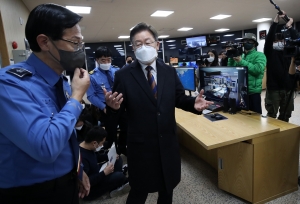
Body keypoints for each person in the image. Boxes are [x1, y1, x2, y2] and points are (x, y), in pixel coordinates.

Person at [104, 22, 213, 204]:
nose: (143, 47)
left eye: (148, 42)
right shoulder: (123, 75)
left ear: (157, 44)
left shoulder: (169, 71)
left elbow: (178, 98)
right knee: (139, 192)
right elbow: (117, 114)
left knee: (167, 189)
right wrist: (113, 109)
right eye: (138, 44)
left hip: (167, 143)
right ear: (133, 48)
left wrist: (193, 103)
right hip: (141, 146)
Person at [0, 3, 90, 203]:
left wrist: (77, 169)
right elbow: (46, 147)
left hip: (67, 181)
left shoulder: (61, 83)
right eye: (74, 43)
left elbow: (67, 134)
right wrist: (76, 97)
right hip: (31, 192)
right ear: (44, 42)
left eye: (81, 43)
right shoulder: (9, 85)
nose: (79, 50)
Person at [87, 46, 127, 154]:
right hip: (106, 108)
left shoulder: (117, 70)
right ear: (97, 60)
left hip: (121, 105)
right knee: (111, 132)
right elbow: (91, 96)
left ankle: (122, 147)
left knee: (126, 128)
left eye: (108, 59)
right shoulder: (92, 76)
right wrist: (103, 107)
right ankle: (112, 152)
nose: (106, 62)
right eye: (103, 60)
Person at [80, 126, 130, 201]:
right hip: (91, 189)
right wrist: (104, 173)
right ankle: (117, 183)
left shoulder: (86, 147)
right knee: (119, 176)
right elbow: (86, 182)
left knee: (118, 160)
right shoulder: (82, 159)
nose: (102, 146)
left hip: (96, 171)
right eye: (101, 143)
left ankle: (116, 180)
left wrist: (108, 157)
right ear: (94, 143)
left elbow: (95, 157)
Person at [264, 12, 297, 122]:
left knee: (285, 115)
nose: (278, 43)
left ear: (284, 42)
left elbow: (296, 39)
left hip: (288, 88)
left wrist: (289, 26)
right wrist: (275, 22)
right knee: (271, 115)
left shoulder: (289, 53)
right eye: (275, 41)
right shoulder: (270, 52)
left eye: (280, 41)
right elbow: (268, 40)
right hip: (273, 89)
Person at [228, 33, 267, 114]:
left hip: (253, 92)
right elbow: (231, 70)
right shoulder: (240, 55)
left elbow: (258, 70)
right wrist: (231, 58)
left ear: (255, 44)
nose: (247, 43)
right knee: (240, 117)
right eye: (245, 41)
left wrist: (241, 61)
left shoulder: (260, 55)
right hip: (239, 92)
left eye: (250, 41)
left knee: (255, 118)